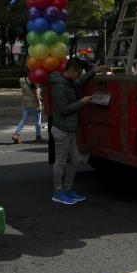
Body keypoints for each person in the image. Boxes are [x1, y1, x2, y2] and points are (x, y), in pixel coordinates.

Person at [46, 57, 97, 205]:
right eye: (79, 72)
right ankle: (57, 193)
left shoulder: (69, 82)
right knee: (60, 162)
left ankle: (67, 190)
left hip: (70, 129)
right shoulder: (59, 86)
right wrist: (82, 102)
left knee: (75, 160)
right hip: (61, 129)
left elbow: (79, 82)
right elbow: (64, 109)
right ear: (71, 70)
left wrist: (94, 71)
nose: (80, 75)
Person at [12, 73, 43, 144]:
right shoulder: (34, 81)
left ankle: (16, 134)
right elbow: (36, 94)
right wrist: (40, 105)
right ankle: (38, 137)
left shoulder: (22, 80)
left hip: (25, 103)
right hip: (34, 104)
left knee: (23, 120)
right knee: (37, 120)